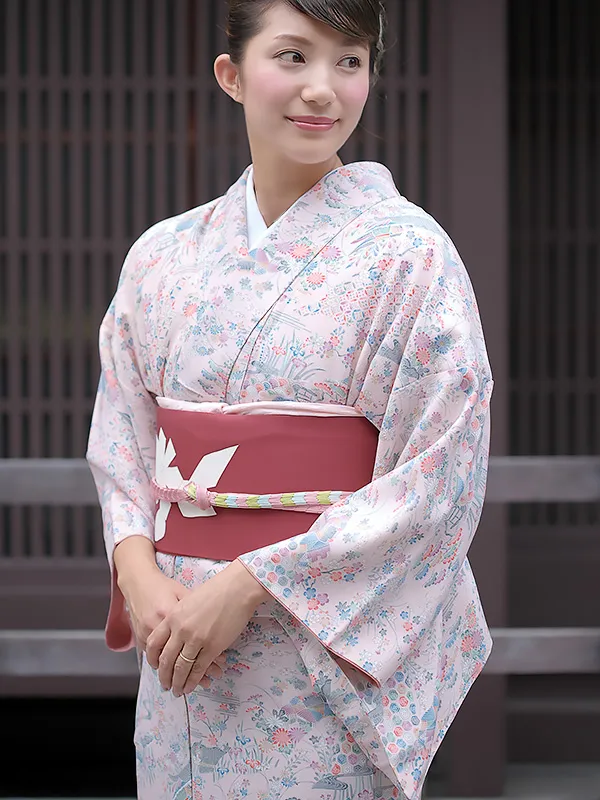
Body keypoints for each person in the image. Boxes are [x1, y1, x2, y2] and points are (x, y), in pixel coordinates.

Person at [87, 1, 494, 798]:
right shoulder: (162, 255)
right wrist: (136, 570)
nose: (323, 88)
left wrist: (250, 586)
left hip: (308, 651)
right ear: (232, 75)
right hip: (176, 639)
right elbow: (123, 433)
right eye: (293, 56)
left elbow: (439, 476)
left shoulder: (409, 256)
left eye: (350, 61)